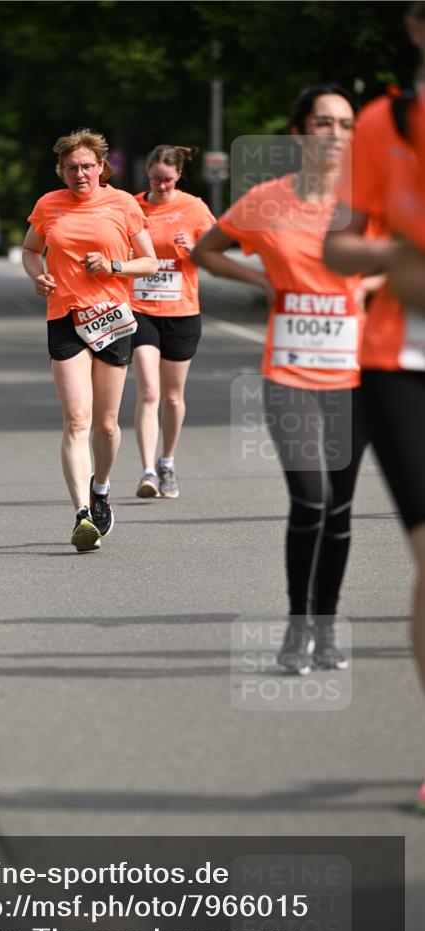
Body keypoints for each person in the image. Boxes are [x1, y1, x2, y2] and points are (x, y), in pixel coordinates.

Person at [192, 84, 367, 674]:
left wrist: (369, 287)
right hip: (289, 374)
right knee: (311, 498)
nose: (336, 134)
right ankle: (297, 627)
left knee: (340, 509)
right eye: (324, 122)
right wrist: (262, 282)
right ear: (299, 132)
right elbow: (206, 251)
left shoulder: (370, 202)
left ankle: (326, 626)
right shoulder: (267, 200)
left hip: (355, 377)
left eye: (346, 124)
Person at [323, 1, 425, 810]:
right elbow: (339, 243)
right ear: (415, 26)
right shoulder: (381, 123)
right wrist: (400, 253)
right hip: (400, 362)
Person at [22, 128, 157, 552]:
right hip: (65, 317)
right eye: (70, 168)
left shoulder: (123, 204)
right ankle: (82, 514)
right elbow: (30, 250)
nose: (79, 174)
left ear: (101, 167)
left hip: (111, 319)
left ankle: (101, 488)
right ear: (60, 171)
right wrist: (38, 276)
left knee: (106, 424)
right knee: (77, 419)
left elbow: (150, 262)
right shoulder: (48, 205)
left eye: (86, 166)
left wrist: (114, 266)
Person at [130, 145, 215, 498]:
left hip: (181, 311)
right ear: (147, 175)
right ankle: (147, 472)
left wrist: (193, 248)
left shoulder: (195, 208)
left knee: (173, 397)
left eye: (167, 180)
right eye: (155, 179)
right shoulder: (132, 206)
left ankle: (167, 461)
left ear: (179, 175)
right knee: (149, 390)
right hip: (140, 308)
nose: (161, 186)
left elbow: (214, 256)